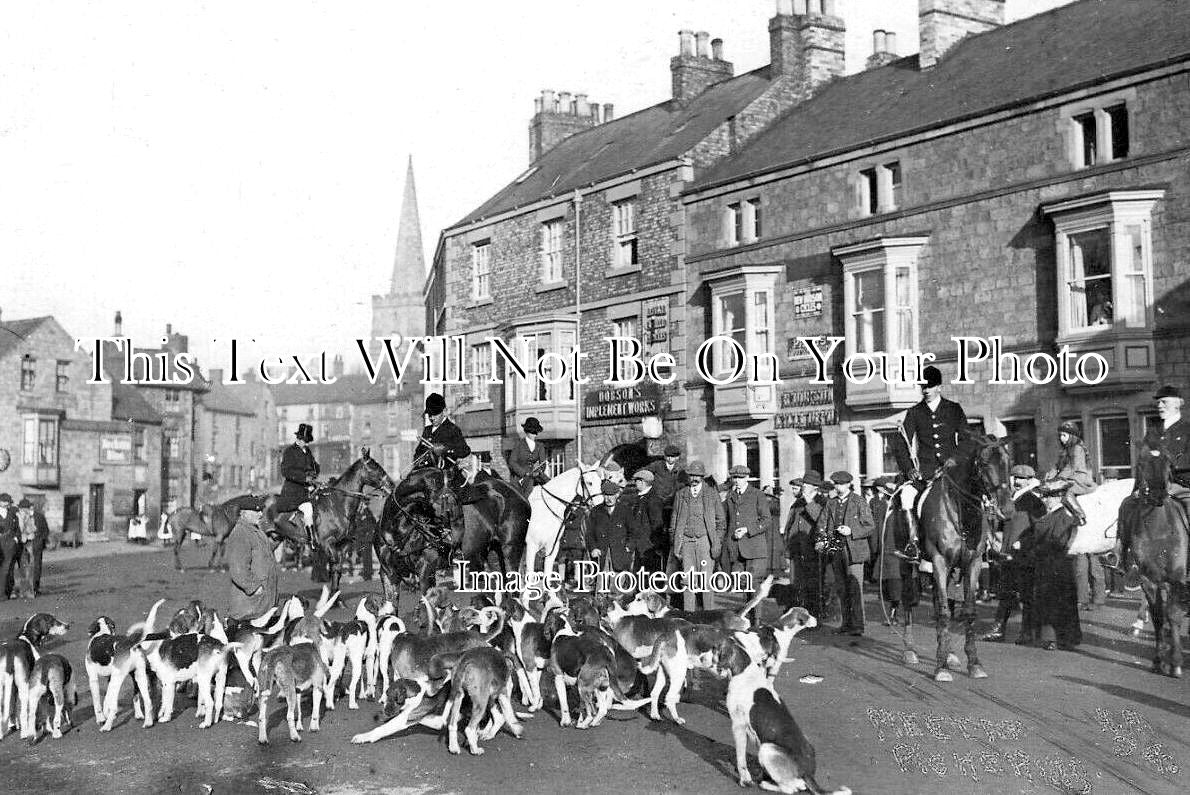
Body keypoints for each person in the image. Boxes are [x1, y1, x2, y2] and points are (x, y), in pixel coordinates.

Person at [892, 365, 970, 562]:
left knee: (976, 494)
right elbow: (901, 444)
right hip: (925, 474)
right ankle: (913, 543)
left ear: (939, 387)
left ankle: (983, 542)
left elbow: (967, 440)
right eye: (923, 387)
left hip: (952, 472)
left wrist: (955, 460)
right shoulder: (914, 413)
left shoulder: (954, 409)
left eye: (930, 386)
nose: (926, 390)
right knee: (906, 496)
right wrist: (909, 469)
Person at [1119, 385, 1190, 588]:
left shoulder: (1187, 429)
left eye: (1164, 401)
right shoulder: (1153, 432)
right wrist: (1136, 488)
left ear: (1178, 404)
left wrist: (1167, 460)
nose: (1159, 405)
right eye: (1158, 402)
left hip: (1181, 485)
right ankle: (1126, 558)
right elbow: (1142, 462)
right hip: (1152, 486)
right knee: (1126, 507)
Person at [982, 465, 1045, 643]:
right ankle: (999, 630)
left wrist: (1023, 543)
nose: (1017, 481)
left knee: (1026, 595)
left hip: (1025, 554)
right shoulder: (1011, 498)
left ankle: (1026, 632)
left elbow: (1039, 529)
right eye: (1015, 478)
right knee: (1006, 593)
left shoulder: (1034, 501)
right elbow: (1004, 522)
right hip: (1008, 554)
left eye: (1022, 479)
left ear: (1030, 481)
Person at [815, 471, 874, 636]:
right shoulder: (831, 504)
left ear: (848, 484)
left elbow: (870, 526)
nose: (838, 487)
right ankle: (846, 623)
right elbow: (822, 525)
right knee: (841, 588)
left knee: (855, 587)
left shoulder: (859, 501)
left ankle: (858, 625)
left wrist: (851, 530)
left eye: (841, 484)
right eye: (836, 484)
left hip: (854, 551)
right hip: (836, 550)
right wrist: (823, 540)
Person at [1030, 482, 1082, 651]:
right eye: (1045, 496)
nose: (1046, 500)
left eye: (1049, 496)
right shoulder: (1051, 515)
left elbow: (1058, 540)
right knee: (1048, 601)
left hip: (1059, 564)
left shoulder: (1064, 516)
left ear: (1059, 497)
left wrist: (1036, 548)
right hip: (1047, 563)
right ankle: (1052, 637)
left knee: (1061, 601)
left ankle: (1065, 638)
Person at [667, 460, 725, 611]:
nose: (694, 478)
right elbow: (673, 521)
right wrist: (676, 543)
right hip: (686, 543)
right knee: (688, 582)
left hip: (705, 542)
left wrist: (716, 542)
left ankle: (709, 618)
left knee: (706, 582)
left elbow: (721, 521)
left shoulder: (711, 494)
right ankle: (689, 617)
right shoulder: (681, 495)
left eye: (697, 476)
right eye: (691, 475)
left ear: (702, 477)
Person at [721, 465, 773, 599]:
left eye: (740, 478)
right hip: (736, 549)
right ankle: (748, 618)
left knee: (754, 587)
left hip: (754, 549)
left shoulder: (757, 495)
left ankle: (756, 620)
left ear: (747, 478)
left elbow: (767, 520)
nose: (737, 480)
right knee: (742, 586)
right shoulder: (730, 496)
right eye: (735, 477)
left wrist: (747, 530)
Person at [226, 500, 279, 621]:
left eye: (260, 510)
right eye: (256, 511)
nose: (260, 514)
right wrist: (254, 588)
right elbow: (238, 568)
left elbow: (263, 554)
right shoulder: (240, 532)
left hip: (262, 606)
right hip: (249, 609)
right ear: (243, 513)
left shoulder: (255, 531)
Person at [782, 472, 825, 614]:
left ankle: (814, 616)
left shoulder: (822, 501)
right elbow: (790, 526)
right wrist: (787, 551)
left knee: (813, 586)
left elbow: (821, 520)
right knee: (796, 584)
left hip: (813, 551)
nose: (803, 487)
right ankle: (799, 614)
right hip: (797, 551)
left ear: (814, 487)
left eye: (806, 484)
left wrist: (809, 501)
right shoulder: (797, 503)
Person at [1042, 421, 1093, 526]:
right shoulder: (1065, 450)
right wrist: (1049, 475)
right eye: (1060, 435)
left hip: (1079, 477)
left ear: (1072, 436)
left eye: (1064, 435)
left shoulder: (1078, 449)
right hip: (1069, 477)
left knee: (1065, 491)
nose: (1061, 438)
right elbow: (1057, 466)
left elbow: (1072, 467)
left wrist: (1058, 479)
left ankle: (1080, 516)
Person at [590, 480, 648, 573]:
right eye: (606, 495)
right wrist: (593, 548)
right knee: (601, 585)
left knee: (618, 584)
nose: (608, 499)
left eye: (611, 495)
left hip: (620, 556)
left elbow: (633, 532)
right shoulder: (596, 511)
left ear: (617, 495)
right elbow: (590, 533)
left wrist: (628, 547)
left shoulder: (625, 510)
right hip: (601, 556)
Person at [277, 423, 320, 535]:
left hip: (308, 489)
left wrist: (314, 473)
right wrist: (304, 478)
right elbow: (285, 471)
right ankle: (310, 540)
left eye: (307, 441)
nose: (305, 443)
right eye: (304, 440)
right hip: (293, 491)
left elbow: (315, 466)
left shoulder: (308, 451)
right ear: (299, 438)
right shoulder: (289, 452)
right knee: (308, 509)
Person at [421, 392, 471, 469]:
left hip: (445, 473)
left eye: (435, 414)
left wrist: (445, 449)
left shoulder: (452, 429)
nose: (432, 418)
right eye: (430, 415)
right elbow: (418, 452)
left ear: (444, 411)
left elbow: (465, 450)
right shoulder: (427, 430)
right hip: (425, 472)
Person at [630, 469, 666, 573]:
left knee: (650, 576)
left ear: (643, 482)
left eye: (637, 480)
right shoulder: (640, 498)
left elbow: (657, 524)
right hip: (640, 546)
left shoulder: (653, 499)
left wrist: (656, 545)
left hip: (649, 546)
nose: (635, 483)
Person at [15, 498, 50, 599]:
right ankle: (25, 590)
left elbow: (45, 530)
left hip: (35, 545)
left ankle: (35, 588)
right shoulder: (19, 517)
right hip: (23, 545)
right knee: (24, 567)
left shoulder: (39, 516)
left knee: (36, 566)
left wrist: (39, 540)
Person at [508, 417, 548, 497]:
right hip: (520, 478)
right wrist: (524, 473)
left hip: (536, 476)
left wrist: (538, 471)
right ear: (527, 431)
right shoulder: (518, 445)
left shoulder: (540, 446)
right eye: (532, 432)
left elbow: (543, 463)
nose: (534, 434)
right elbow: (512, 462)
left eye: (535, 432)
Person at [0, 494, 20, 600]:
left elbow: (17, 529)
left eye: (8, 501)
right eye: (4, 501)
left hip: (10, 546)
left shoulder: (12, 515)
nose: (7, 503)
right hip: (0, 545)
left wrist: (15, 539)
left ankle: (7, 592)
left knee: (8, 569)